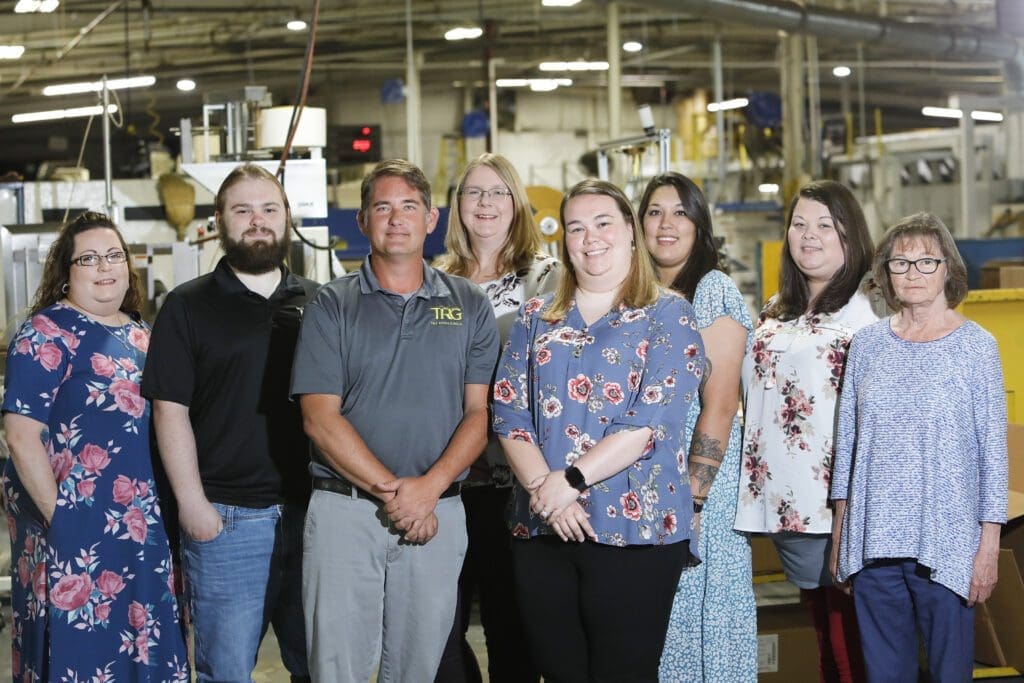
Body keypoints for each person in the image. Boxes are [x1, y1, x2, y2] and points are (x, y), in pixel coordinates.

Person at [291, 158, 499, 682]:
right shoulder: (330, 305)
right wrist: (399, 495)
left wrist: (429, 489)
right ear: (362, 221)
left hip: (439, 513)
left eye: (409, 207)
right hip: (346, 511)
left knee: (418, 667)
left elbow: (481, 413)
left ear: (431, 219)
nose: (396, 218)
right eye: (382, 207)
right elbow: (319, 418)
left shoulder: (469, 303)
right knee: (337, 668)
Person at [492, 179, 706, 682]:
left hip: (634, 532)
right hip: (542, 527)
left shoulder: (669, 314)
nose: (591, 238)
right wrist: (546, 495)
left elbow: (649, 420)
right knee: (559, 671)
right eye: (576, 227)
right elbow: (507, 410)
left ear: (631, 230)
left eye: (604, 223)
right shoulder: (535, 316)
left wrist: (567, 484)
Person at [142, 164, 316, 683]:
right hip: (228, 521)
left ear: (287, 219)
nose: (257, 221)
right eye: (242, 210)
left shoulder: (321, 301)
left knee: (323, 666)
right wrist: (194, 506)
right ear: (219, 220)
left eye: (269, 209)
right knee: (227, 672)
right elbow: (168, 411)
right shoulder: (187, 305)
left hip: (313, 516)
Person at [2, 212, 189, 682]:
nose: (104, 267)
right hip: (75, 532)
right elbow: (20, 437)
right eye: (89, 258)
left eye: (113, 255)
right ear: (66, 273)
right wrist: (62, 522)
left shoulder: (145, 335)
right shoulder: (47, 333)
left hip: (143, 530)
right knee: (81, 657)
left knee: (142, 652)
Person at [830, 212, 1007, 682]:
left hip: (946, 544)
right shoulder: (866, 346)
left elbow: (994, 455)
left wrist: (987, 548)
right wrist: (841, 538)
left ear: (949, 268)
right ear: (884, 273)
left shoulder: (977, 348)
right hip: (873, 543)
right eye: (900, 263)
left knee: (950, 674)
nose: (912, 273)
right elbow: (847, 444)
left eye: (926, 262)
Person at [734, 180, 877, 683]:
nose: (809, 235)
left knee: (849, 638)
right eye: (799, 224)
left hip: (836, 505)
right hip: (786, 503)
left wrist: (853, 504)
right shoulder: (777, 308)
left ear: (850, 235)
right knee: (823, 630)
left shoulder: (867, 311)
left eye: (825, 225)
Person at [434, 153, 559, 683]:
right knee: (440, 627)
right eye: (473, 192)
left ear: (517, 204)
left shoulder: (548, 277)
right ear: (457, 205)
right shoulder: (431, 280)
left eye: (497, 192)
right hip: (445, 479)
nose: (485, 204)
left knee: (513, 630)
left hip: (517, 481)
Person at [638, 172, 757, 682]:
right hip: (640, 481)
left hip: (694, 486)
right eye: (654, 212)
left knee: (699, 612)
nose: (667, 224)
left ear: (699, 225)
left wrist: (694, 498)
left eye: (680, 212)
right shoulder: (637, 293)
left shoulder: (713, 291)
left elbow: (721, 404)